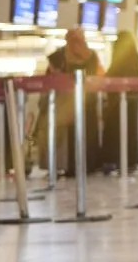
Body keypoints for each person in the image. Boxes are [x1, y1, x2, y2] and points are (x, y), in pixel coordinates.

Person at [30, 28, 103, 177]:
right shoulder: (90, 55)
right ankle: (83, 165)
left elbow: (50, 76)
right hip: (81, 103)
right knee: (80, 134)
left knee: (74, 134)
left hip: (71, 103)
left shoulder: (65, 54)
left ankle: (74, 166)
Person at [101, 31, 138, 175]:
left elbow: (111, 75)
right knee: (130, 130)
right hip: (132, 101)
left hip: (117, 102)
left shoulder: (120, 60)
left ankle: (113, 161)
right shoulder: (136, 58)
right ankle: (130, 161)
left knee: (114, 131)